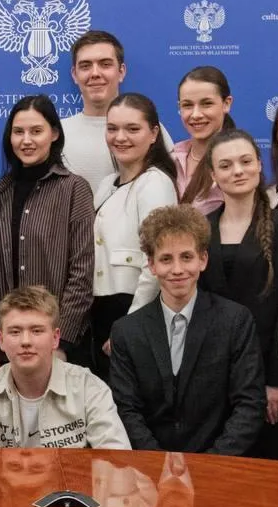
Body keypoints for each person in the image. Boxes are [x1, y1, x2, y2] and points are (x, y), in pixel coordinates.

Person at [109, 205, 265, 454]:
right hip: (150, 467)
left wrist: (208, 465)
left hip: (218, 465)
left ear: (203, 260)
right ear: (151, 265)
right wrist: (159, 464)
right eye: (166, 259)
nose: (177, 270)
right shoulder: (126, 331)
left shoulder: (235, 321)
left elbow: (249, 405)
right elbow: (126, 409)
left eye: (186, 257)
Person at [199, 129, 278, 460]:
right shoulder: (201, 228)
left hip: (266, 373)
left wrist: (276, 380)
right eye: (225, 165)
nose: (237, 171)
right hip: (214, 376)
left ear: (259, 165)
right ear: (213, 175)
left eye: (245, 161)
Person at [0, 95, 94, 367]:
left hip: (60, 345)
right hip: (11, 344)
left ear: (54, 134)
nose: (26, 140)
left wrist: (61, 340)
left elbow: (82, 272)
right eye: (18, 132)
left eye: (36, 131)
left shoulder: (74, 189)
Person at [0, 286, 130, 449]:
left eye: (36, 331)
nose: (26, 341)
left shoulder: (89, 389)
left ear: (55, 338)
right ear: (1, 340)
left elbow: (115, 459)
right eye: (15, 332)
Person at [90, 93, 179, 379]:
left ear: (153, 134)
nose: (120, 137)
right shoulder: (107, 184)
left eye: (132, 129)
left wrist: (133, 323)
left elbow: (158, 262)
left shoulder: (155, 183)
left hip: (133, 307)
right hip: (101, 308)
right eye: (112, 128)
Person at [62, 30, 173, 188]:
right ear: (74, 74)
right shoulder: (57, 134)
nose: (95, 73)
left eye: (105, 64)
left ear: (121, 72)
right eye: (85, 66)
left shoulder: (148, 129)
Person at [172, 66, 235, 213]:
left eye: (206, 104)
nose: (196, 115)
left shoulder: (238, 162)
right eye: (187, 105)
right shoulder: (172, 158)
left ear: (226, 103)